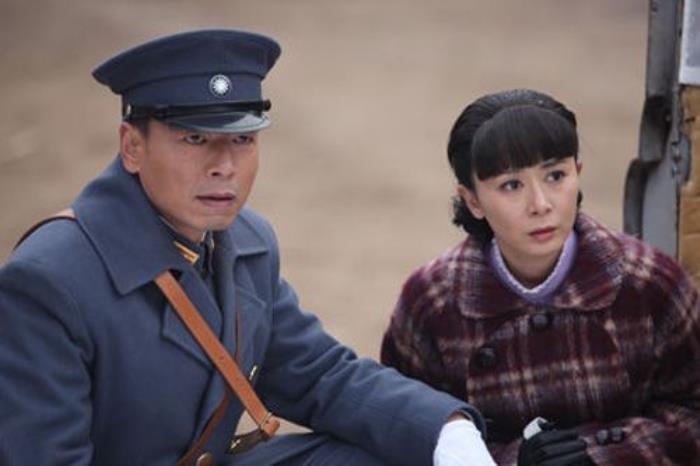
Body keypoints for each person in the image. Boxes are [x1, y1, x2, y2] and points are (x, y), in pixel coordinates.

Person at [0, 30, 497, 466]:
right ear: (132, 146)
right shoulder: (49, 280)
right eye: (195, 139)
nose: (224, 166)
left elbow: (318, 375)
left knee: (394, 451)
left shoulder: (246, 242)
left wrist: (446, 430)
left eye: (242, 140)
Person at [380, 89, 700, 465]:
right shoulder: (431, 302)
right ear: (472, 200)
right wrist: (515, 460)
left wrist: (601, 454)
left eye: (555, 175)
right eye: (511, 185)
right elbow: (406, 433)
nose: (541, 204)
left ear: (578, 172)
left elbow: (692, 413)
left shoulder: (651, 283)